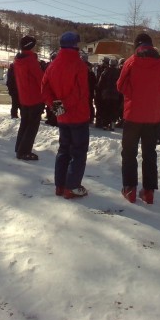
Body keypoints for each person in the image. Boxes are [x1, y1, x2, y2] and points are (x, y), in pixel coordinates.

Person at [117, 33, 160, 204]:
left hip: (133, 114)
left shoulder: (131, 61)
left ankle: (130, 189)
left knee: (129, 152)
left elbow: (120, 85)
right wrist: (153, 96)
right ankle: (149, 192)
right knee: (149, 153)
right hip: (153, 116)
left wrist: (134, 94)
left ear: (137, 45)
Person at [41, 32, 91, 199]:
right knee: (78, 152)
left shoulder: (52, 65)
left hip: (62, 116)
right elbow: (79, 93)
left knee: (63, 149)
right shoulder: (79, 65)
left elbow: (44, 89)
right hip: (78, 115)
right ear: (75, 45)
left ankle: (60, 185)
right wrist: (63, 107)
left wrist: (58, 108)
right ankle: (72, 186)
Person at [13, 35, 45, 160]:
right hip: (35, 97)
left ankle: (19, 147)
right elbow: (40, 79)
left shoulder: (18, 60)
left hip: (24, 97)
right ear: (30, 46)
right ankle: (24, 151)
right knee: (32, 126)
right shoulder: (31, 60)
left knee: (25, 123)